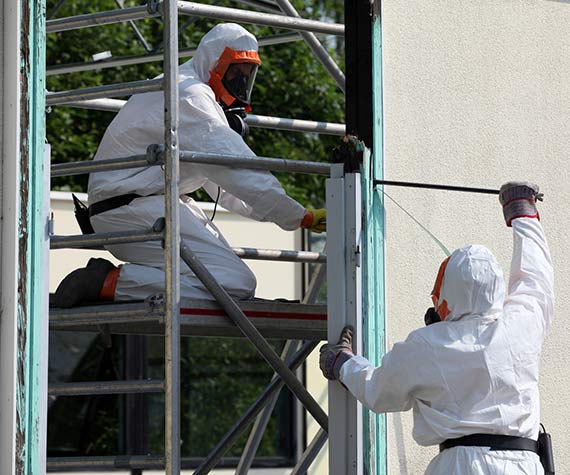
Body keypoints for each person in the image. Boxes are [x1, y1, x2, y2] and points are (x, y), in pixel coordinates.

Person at [53, 23, 326, 308]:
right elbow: (236, 168)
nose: (240, 83)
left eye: (246, 75)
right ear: (214, 62)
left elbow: (225, 186)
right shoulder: (190, 95)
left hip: (138, 205)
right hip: (131, 209)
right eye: (235, 72)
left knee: (230, 281)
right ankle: (106, 282)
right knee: (233, 283)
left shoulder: (187, 91)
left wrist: (290, 215)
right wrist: (297, 215)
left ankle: (118, 281)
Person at [320, 182, 554, 474]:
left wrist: (343, 363)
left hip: (460, 465)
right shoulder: (522, 324)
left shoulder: (427, 344)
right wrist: (523, 214)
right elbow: (535, 278)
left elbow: (378, 390)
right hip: (525, 465)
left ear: (448, 293)